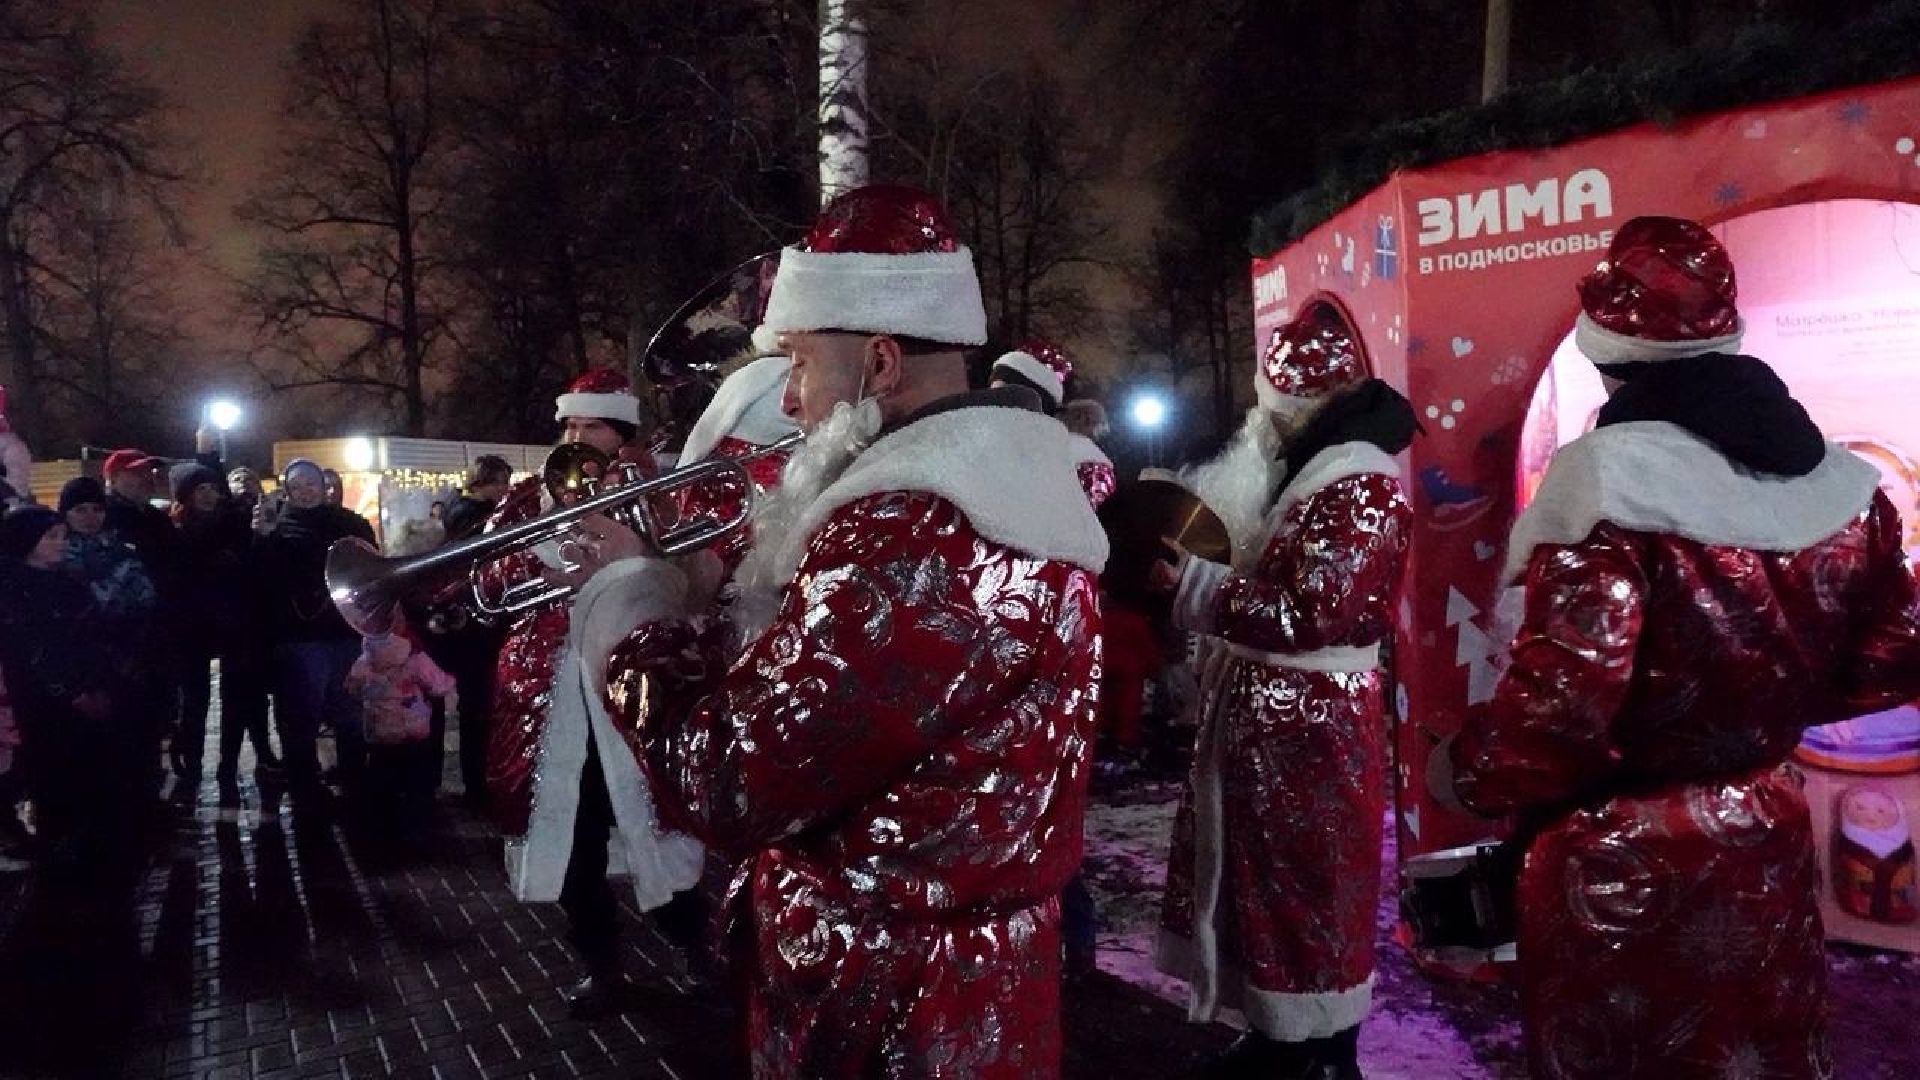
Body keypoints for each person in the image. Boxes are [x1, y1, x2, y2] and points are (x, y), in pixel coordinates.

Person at [572, 184, 1108, 1076]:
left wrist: (631, 605)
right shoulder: (996, 491)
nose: (788, 402)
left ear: (882, 364)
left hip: (884, 1007)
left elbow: (728, 781)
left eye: (800, 366)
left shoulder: (913, 528)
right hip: (953, 982)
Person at [1434, 217, 1920, 1080]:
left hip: (1623, 864)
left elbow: (1563, 710)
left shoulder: (1606, 483)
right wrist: (1764, 706)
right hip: (1765, 837)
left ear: (1606, 350)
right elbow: (1894, 655)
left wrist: (1464, 771)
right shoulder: (1846, 488)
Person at [1150, 303, 1417, 1079]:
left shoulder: (1359, 484)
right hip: (1281, 726)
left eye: (1265, 412)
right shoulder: (1316, 479)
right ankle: (1279, 1033)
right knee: (1268, 886)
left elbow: (1312, 610)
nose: (1254, 426)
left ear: (1292, 412)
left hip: (1313, 733)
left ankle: (1318, 1053)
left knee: (1309, 892)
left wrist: (1199, 587)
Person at [480, 367, 709, 1016]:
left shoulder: (653, 490)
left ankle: (697, 953)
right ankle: (601, 966)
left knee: (660, 827)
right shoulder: (527, 500)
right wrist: (542, 557)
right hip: (548, 696)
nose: (575, 436)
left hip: (630, 686)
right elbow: (490, 582)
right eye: (570, 425)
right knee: (569, 846)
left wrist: (635, 528)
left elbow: (691, 579)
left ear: (622, 437)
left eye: (592, 427)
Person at [0, 506, 141, 874]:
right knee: (57, 779)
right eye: (51, 537)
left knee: (93, 776)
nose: (61, 543)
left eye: (62, 535)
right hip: (49, 706)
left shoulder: (65, 581)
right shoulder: (16, 590)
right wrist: (72, 692)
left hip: (88, 690)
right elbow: (33, 652)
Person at [254, 459, 377, 799]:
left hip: (344, 631)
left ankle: (353, 777)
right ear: (287, 491)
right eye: (298, 486)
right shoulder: (278, 529)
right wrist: (264, 540)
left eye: (311, 484)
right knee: (301, 716)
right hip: (299, 636)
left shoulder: (350, 524)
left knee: (348, 713)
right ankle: (305, 785)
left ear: (324, 487)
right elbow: (263, 580)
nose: (305, 492)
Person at [345, 614, 456, 824]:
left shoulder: (366, 657)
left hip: (379, 734)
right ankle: (415, 825)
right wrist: (450, 681)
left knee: (382, 780)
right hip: (412, 731)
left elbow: (351, 686)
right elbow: (439, 685)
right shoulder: (413, 656)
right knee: (416, 782)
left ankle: (384, 822)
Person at [991, 337, 1115, 506]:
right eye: (992, 388)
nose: (992, 398)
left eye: (1005, 391)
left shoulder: (1077, 458)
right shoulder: (986, 439)